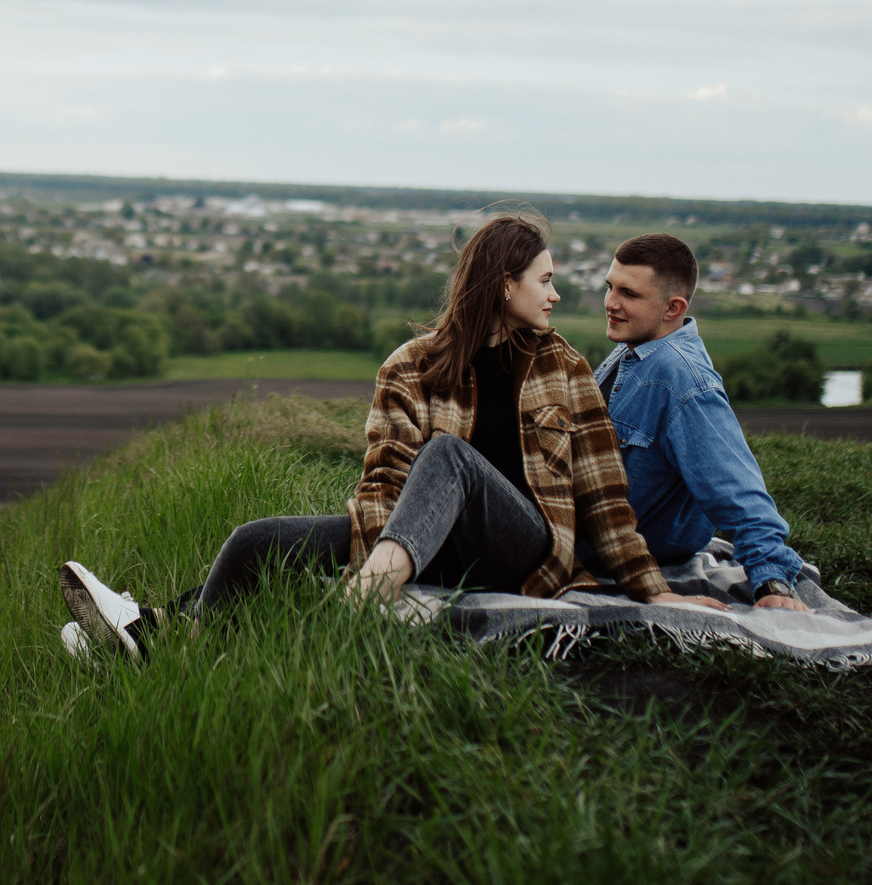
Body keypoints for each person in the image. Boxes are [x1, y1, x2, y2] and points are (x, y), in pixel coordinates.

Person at [59, 209, 715, 662]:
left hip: (524, 546)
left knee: (450, 457)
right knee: (258, 539)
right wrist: (364, 541)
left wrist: (652, 587)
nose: (557, 293)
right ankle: (161, 639)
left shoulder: (564, 367)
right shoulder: (410, 366)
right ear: (505, 283)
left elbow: (603, 493)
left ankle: (361, 597)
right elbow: (383, 482)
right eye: (545, 279)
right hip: (425, 541)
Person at [595, 234, 810, 612]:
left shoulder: (682, 379)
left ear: (672, 307)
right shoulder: (634, 350)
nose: (610, 303)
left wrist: (770, 578)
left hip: (611, 548)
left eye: (628, 293)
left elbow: (736, 485)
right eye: (610, 287)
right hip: (584, 529)